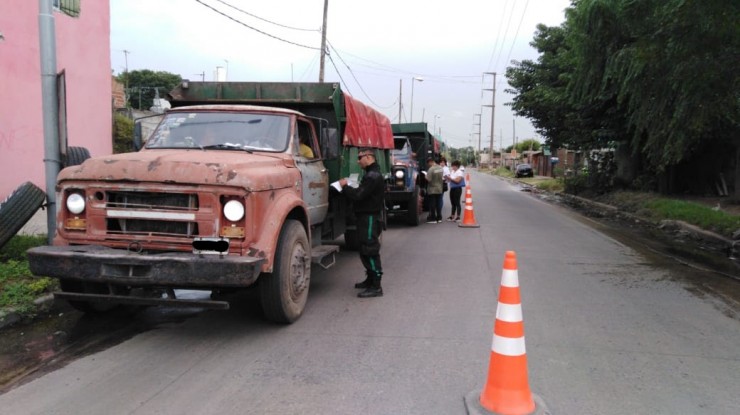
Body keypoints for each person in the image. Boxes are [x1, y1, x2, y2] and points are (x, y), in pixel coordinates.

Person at [339, 148, 385, 298]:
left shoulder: (372, 176)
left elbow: (358, 195)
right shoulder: (371, 174)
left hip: (369, 217)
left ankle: (376, 286)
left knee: (370, 249)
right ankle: (370, 279)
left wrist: (345, 186)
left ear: (369, 157)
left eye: (360, 158)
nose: (358, 161)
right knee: (364, 248)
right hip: (366, 217)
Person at [425, 157, 444, 223]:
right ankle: (439, 217)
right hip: (439, 188)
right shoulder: (440, 168)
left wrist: (425, 176)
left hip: (432, 189)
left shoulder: (431, 169)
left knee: (432, 204)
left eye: (428, 163)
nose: (428, 165)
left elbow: (429, 179)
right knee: (438, 204)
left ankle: (433, 218)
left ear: (430, 162)